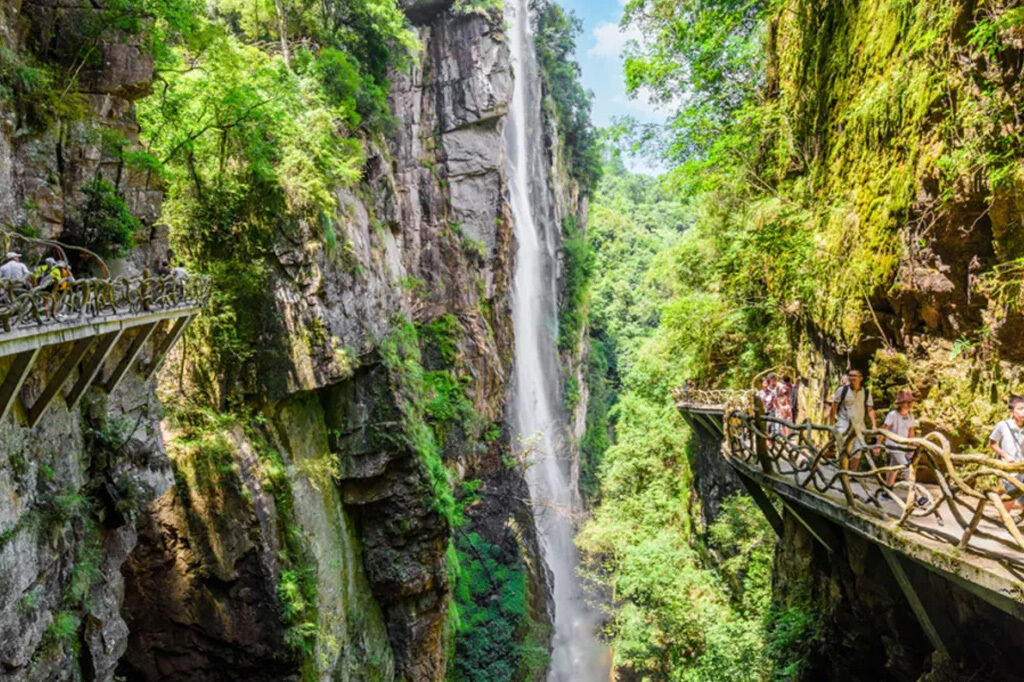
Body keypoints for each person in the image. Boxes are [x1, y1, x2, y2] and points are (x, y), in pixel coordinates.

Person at [829, 368, 876, 469]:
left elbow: (870, 409)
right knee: (844, 448)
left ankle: (853, 474)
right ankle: (843, 472)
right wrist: (832, 426)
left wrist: (874, 425)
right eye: (850, 375)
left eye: (855, 376)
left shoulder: (866, 392)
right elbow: (833, 408)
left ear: (861, 378)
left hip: (859, 425)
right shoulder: (842, 390)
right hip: (844, 424)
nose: (852, 378)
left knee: (858, 450)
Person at [988, 396, 1024, 512]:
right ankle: (1004, 522)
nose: (1023, 412)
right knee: (1011, 498)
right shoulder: (1003, 426)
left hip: (1022, 468)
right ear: (1012, 411)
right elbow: (992, 443)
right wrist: (1005, 456)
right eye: (1020, 409)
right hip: (1009, 469)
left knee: (1022, 498)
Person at [880, 390, 917, 488]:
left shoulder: (910, 416)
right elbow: (884, 429)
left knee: (894, 468)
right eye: (906, 402)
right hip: (893, 446)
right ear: (900, 404)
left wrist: (911, 448)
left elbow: (911, 432)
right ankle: (918, 495)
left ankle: (887, 491)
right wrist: (877, 445)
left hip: (903, 446)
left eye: (910, 402)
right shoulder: (893, 415)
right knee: (906, 468)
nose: (909, 405)